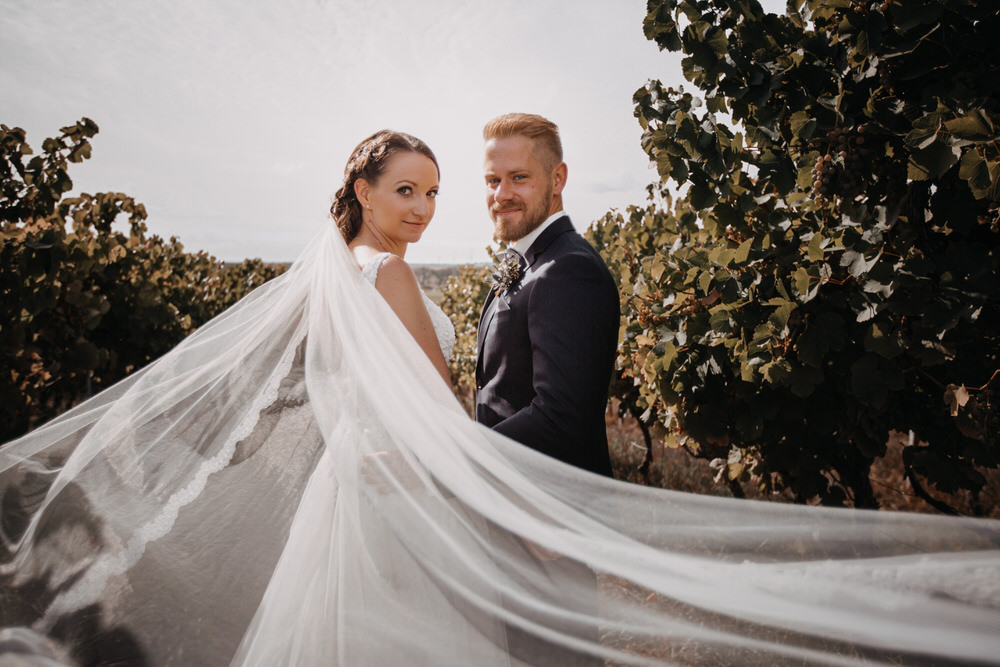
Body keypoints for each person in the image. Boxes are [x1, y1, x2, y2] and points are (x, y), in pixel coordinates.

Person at [1, 130, 999, 667]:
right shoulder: (387, 276)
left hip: (363, 491)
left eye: (436, 192)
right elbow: (432, 408)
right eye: (407, 191)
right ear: (361, 188)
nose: (426, 209)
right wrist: (463, 464)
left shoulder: (337, 271)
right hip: (408, 493)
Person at [476, 113, 620, 478]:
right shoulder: (530, 261)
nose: (501, 194)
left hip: (553, 513)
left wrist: (457, 459)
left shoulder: (569, 270)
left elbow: (560, 417)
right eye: (493, 180)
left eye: (518, 177)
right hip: (515, 502)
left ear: (558, 179)